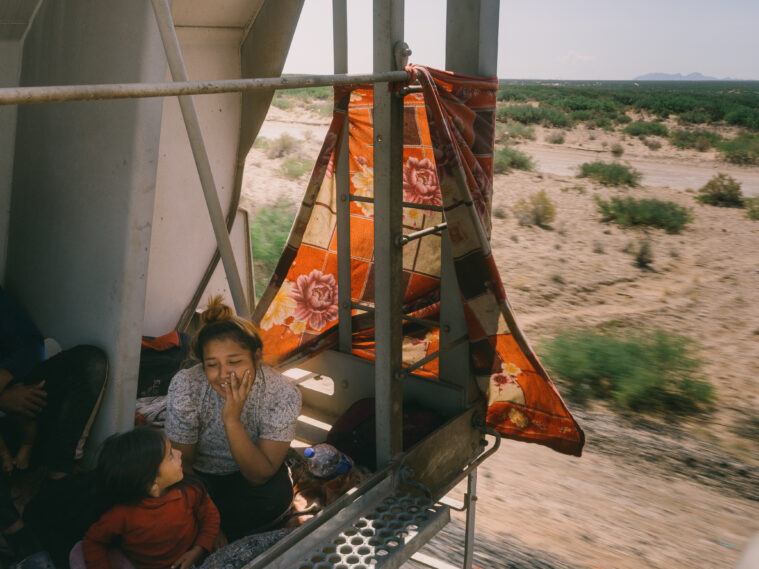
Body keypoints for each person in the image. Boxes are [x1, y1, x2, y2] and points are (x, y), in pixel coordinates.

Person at [165, 296, 301, 540]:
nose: (223, 375)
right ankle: (211, 530)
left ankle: (205, 532)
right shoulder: (187, 385)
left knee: (277, 496)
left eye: (235, 362)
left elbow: (260, 475)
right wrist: (207, 517)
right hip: (199, 479)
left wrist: (232, 419)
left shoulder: (282, 393)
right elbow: (182, 463)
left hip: (249, 482)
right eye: (212, 365)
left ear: (257, 358)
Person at [0, 285, 108, 561]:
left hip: (19, 411)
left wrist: (8, 388)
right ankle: (14, 529)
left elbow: (31, 345)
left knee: (90, 362)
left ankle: (57, 479)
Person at [78, 427, 220, 569]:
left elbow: (210, 517)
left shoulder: (190, 491)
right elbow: (93, 542)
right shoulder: (121, 515)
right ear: (152, 484)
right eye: (170, 456)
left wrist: (198, 550)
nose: (179, 453)